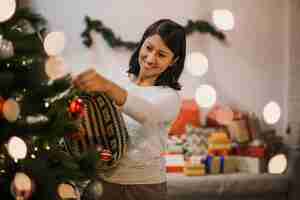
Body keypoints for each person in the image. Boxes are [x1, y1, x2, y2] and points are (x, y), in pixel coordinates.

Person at [73, 19, 186, 200]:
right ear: (142, 43)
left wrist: (108, 87)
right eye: (148, 48)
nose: (150, 58)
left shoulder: (169, 97)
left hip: (145, 189)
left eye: (162, 55)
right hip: (103, 184)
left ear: (174, 61)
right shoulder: (119, 79)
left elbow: (148, 113)